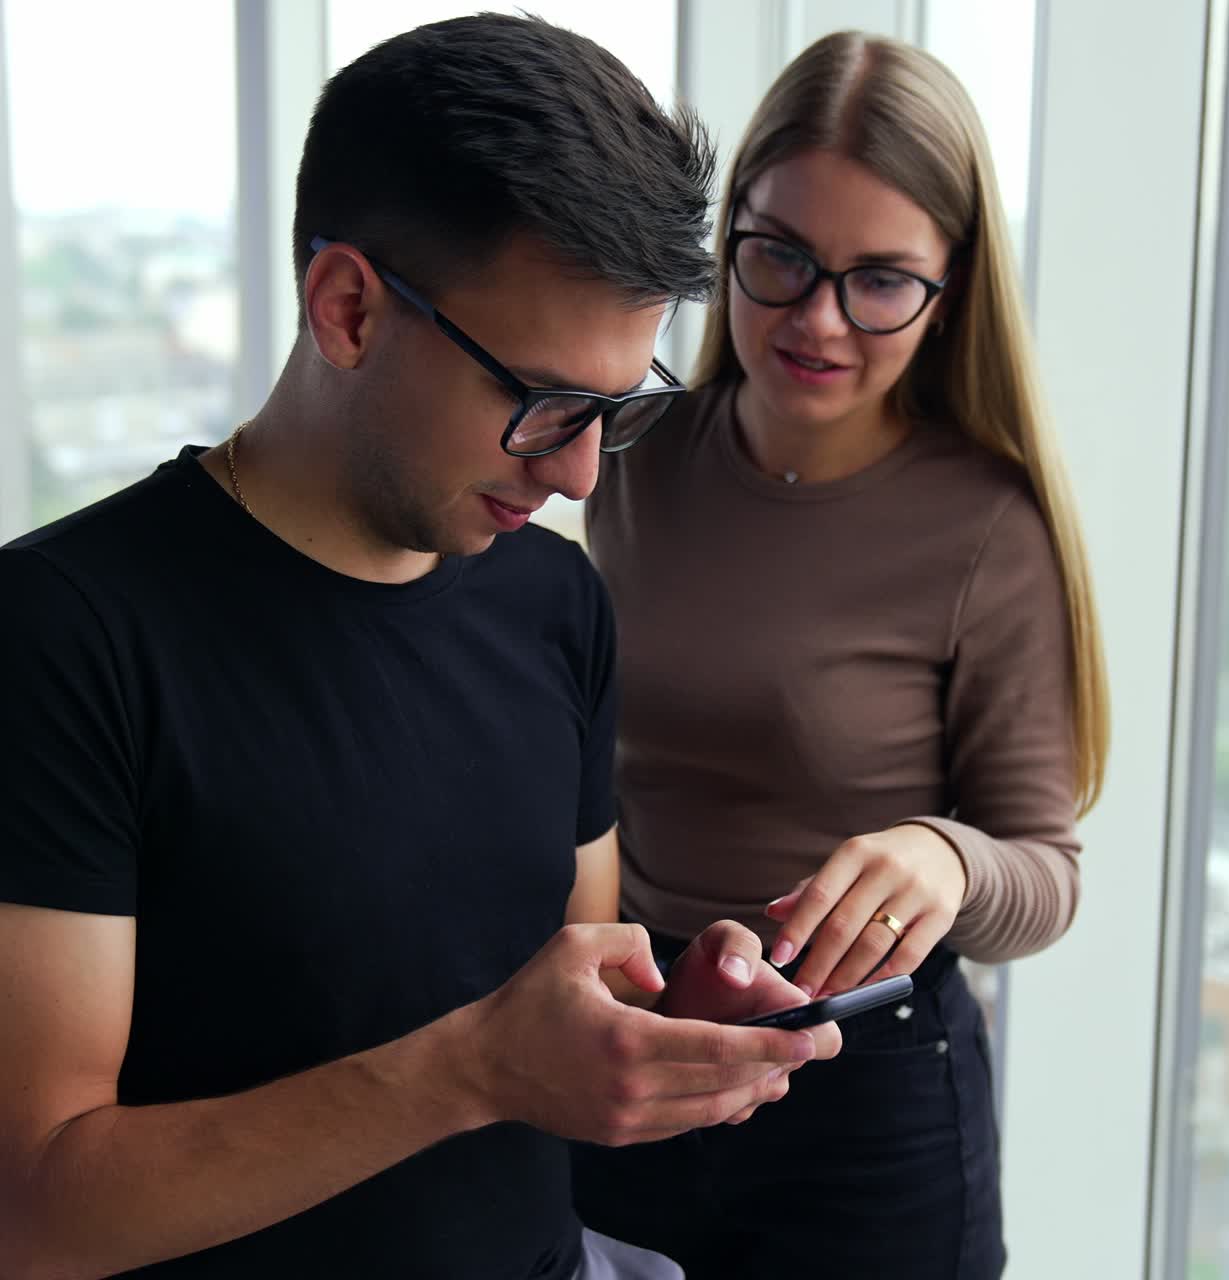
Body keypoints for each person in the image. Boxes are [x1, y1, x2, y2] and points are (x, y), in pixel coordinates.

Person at [0, 17, 841, 1280]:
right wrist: (468, 1067)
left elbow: (568, 995)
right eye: (543, 402)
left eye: (614, 408)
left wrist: (671, 1019)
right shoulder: (62, 634)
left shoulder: (554, 601)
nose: (577, 474)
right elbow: (32, 1211)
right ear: (346, 308)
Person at [572, 29, 1111, 1279]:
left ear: (950, 288)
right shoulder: (631, 454)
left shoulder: (986, 525)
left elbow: (1044, 869)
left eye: (879, 280)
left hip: (864, 1085)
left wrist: (945, 856)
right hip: (640, 1039)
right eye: (778, 256)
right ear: (728, 236)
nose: (815, 318)